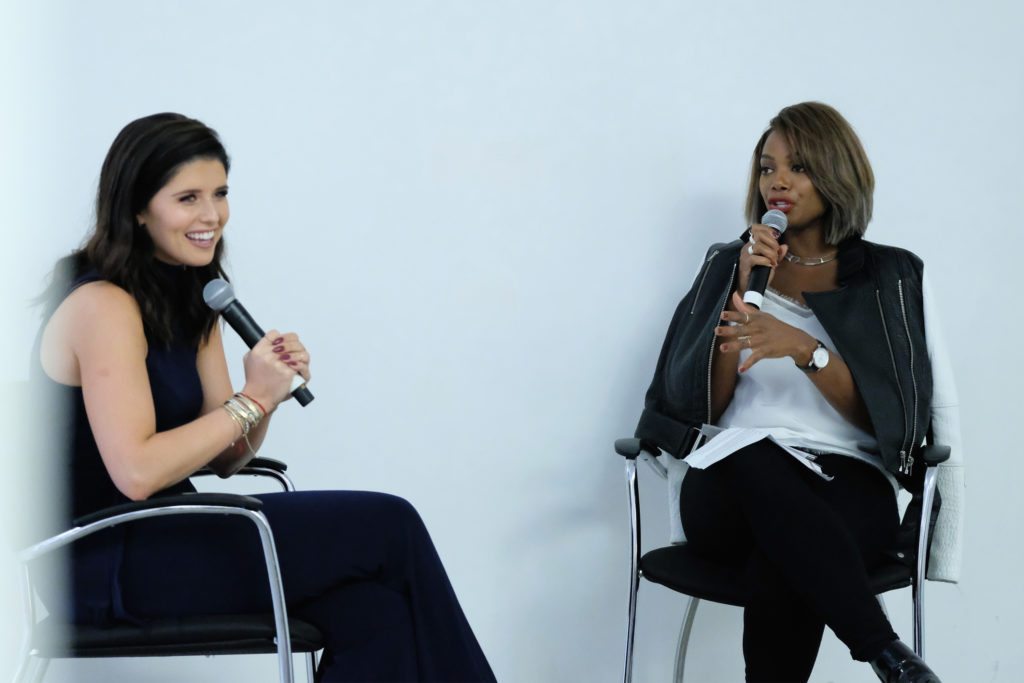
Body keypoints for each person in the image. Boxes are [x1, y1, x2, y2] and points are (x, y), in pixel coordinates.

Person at [34, 113, 496, 683]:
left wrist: (267, 393)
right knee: (390, 524)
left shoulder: (194, 296)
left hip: (173, 533)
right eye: (188, 198)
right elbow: (136, 473)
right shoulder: (102, 305)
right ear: (137, 207)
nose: (211, 216)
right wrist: (251, 397)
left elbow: (228, 458)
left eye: (220, 193)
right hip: (105, 557)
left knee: (373, 615)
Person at [635, 102, 962, 683]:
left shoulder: (893, 277)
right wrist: (740, 290)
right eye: (767, 168)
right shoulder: (728, 265)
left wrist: (804, 350)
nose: (777, 182)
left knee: (785, 556)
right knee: (755, 455)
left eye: (799, 166)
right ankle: (885, 650)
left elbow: (893, 420)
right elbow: (704, 408)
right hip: (731, 484)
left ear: (837, 175)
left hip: (848, 482)